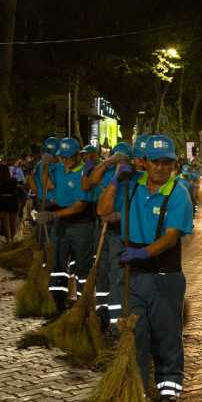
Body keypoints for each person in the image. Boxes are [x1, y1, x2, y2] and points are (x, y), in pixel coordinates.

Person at [97, 135, 193, 402]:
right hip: (135, 275)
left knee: (166, 333)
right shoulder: (130, 188)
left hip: (165, 274)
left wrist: (143, 252)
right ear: (144, 163)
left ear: (173, 165)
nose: (161, 168)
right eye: (156, 162)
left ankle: (169, 386)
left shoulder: (178, 193)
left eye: (167, 163)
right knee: (135, 332)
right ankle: (135, 385)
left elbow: (172, 237)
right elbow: (103, 210)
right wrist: (115, 181)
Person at [36, 137, 95, 315]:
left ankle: (82, 305)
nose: (66, 161)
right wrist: (44, 166)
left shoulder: (85, 172)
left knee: (82, 267)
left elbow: (80, 205)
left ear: (78, 155)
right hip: (61, 224)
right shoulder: (59, 169)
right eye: (63, 157)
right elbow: (48, 185)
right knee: (57, 266)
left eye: (69, 157)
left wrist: (53, 215)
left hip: (81, 224)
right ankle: (58, 304)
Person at [90, 142, 134, 333]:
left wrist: (119, 215)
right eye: (117, 158)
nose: (119, 162)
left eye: (122, 159)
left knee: (117, 278)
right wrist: (110, 165)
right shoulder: (109, 175)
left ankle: (117, 324)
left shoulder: (133, 179)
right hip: (105, 231)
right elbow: (92, 181)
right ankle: (102, 312)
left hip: (121, 233)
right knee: (102, 273)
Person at [0, 164, 20, 243]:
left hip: (3, 201)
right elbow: (16, 190)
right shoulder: (13, 180)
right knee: (12, 222)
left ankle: (8, 239)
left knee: (5, 222)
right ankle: (12, 238)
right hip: (12, 200)